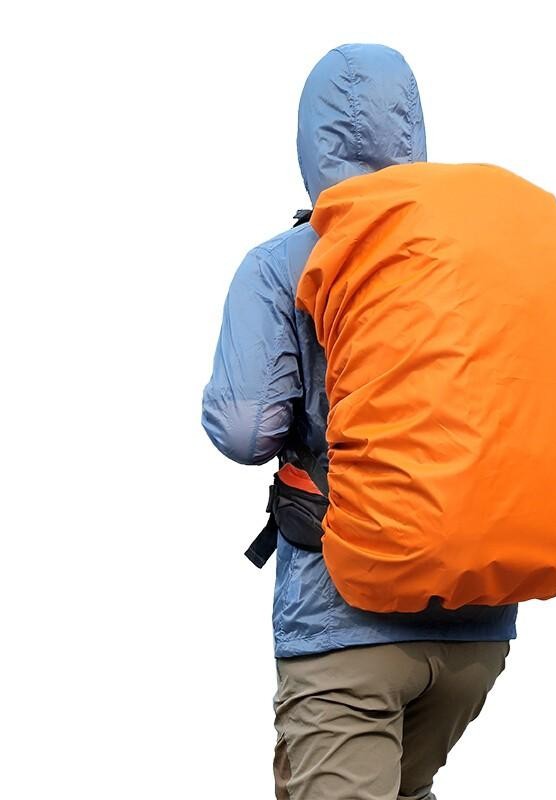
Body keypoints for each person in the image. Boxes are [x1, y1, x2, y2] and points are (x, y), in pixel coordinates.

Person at [202, 44, 517, 800]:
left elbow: (244, 431)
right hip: (478, 625)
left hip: (345, 619)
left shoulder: (284, 264)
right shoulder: (475, 254)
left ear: (310, 142)